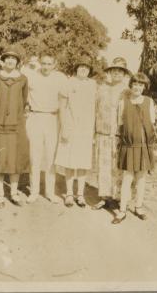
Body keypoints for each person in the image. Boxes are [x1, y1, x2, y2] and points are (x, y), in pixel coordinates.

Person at [0, 47, 30, 208]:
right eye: (7, 58)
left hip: (16, 125)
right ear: (3, 61)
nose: (10, 61)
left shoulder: (23, 79)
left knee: (15, 159)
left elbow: (24, 102)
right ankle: (1, 195)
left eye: (13, 59)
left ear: (17, 62)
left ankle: (14, 194)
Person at [112, 72, 156, 224]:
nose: (137, 87)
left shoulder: (149, 102)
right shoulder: (123, 102)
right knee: (127, 177)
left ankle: (138, 207)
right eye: (135, 84)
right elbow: (119, 125)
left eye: (141, 85)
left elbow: (152, 125)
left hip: (144, 146)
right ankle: (122, 210)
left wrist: (151, 146)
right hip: (129, 146)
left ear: (145, 87)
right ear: (131, 85)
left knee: (141, 178)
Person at [26, 52, 68, 204]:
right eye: (43, 63)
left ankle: (50, 192)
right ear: (40, 63)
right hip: (35, 117)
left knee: (51, 157)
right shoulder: (31, 75)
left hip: (52, 118)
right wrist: (30, 63)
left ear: (54, 64)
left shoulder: (60, 78)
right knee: (34, 157)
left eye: (49, 64)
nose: (46, 67)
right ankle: (34, 192)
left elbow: (66, 99)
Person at [55, 57, 97, 207]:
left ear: (89, 70)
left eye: (86, 67)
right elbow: (62, 107)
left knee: (83, 163)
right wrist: (64, 127)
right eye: (81, 67)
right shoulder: (68, 83)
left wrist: (94, 131)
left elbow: (95, 108)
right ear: (76, 68)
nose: (83, 69)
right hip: (71, 127)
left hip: (86, 130)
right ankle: (69, 194)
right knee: (69, 162)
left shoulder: (93, 85)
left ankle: (80, 195)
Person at [91, 57, 131, 210]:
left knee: (118, 167)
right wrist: (94, 132)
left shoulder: (127, 91)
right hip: (102, 132)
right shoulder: (101, 88)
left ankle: (118, 197)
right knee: (103, 166)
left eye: (120, 71)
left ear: (124, 74)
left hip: (119, 135)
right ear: (110, 72)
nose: (116, 73)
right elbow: (95, 109)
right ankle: (104, 197)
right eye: (114, 70)